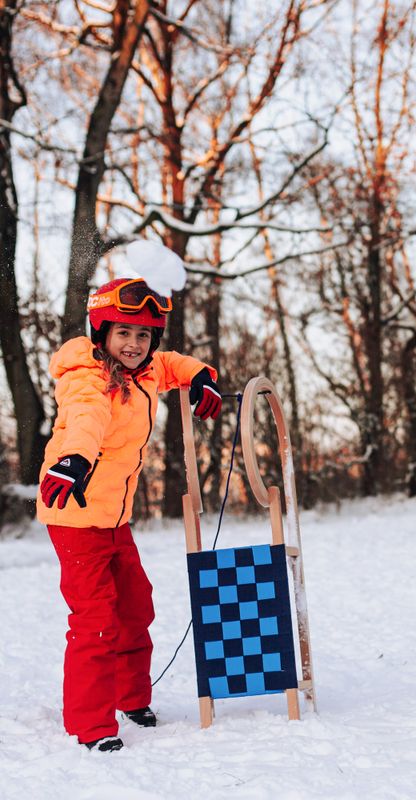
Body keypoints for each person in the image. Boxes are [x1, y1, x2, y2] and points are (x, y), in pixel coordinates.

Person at [37, 277, 222, 752]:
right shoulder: (88, 376)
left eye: (143, 335)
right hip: (76, 514)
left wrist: (201, 375)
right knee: (96, 618)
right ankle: (91, 724)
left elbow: (172, 364)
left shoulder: (146, 371)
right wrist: (74, 459)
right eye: (123, 333)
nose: (135, 344)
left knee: (136, 605)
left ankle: (131, 697)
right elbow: (86, 418)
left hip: (114, 518)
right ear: (102, 335)